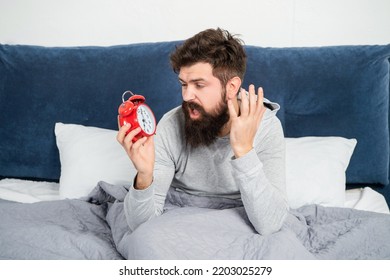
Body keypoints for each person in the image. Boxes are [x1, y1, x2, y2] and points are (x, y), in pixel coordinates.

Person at [117, 28, 288, 235]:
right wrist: (144, 176)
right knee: (145, 241)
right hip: (181, 221)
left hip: (241, 221)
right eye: (183, 84)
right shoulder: (171, 125)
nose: (187, 96)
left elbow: (270, 224)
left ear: (232, 87)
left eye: (199, 85)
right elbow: (141, 226)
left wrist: (244, 151)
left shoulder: (266, 127)